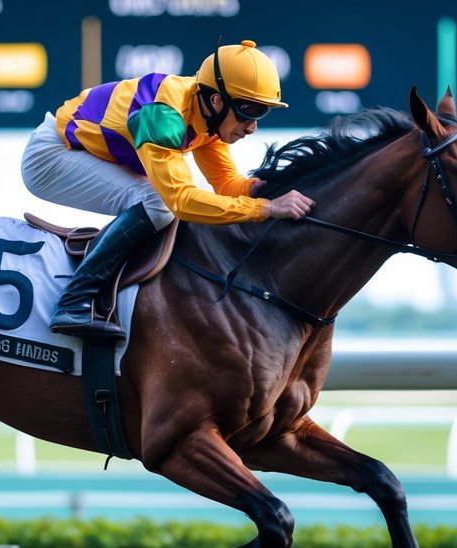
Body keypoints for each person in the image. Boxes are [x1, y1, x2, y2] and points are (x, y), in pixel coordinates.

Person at [21, 40, 316, 341]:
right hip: (52, 156)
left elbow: (228, 186)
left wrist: (271, 189)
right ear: (216, 100)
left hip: (85, 152)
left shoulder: (206, 118)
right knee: (158, 203)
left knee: (164, 199)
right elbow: (181, 202)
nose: (252, 127)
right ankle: (75, 299)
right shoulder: (163, 115)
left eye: (261, 113)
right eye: (247, 111)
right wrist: (265, 209)